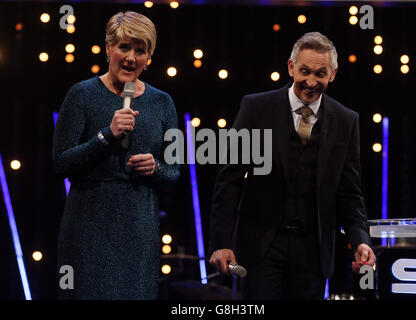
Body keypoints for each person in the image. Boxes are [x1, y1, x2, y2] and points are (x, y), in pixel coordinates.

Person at [209, 32, 376, 299]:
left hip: (314, 252)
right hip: (261, 249)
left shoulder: (346, 120)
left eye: (320, 74)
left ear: (332, 74)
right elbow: (229, 180)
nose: (311, 82)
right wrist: (221, 244)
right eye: (304, 71)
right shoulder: (255, 108)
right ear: (290, 67)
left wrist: (360, 240)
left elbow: (349, 192)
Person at [53, 11, 179, 299]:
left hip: (138, 227)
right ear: (108, 48)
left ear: (149, 57)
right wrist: (105, 135)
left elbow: (174, 172)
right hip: (88, 224)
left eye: (140, 50)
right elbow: (60, 164)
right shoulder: (82, 95)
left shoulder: (162, 103)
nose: (131, 58)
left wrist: (156, 167)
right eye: (124, 47)